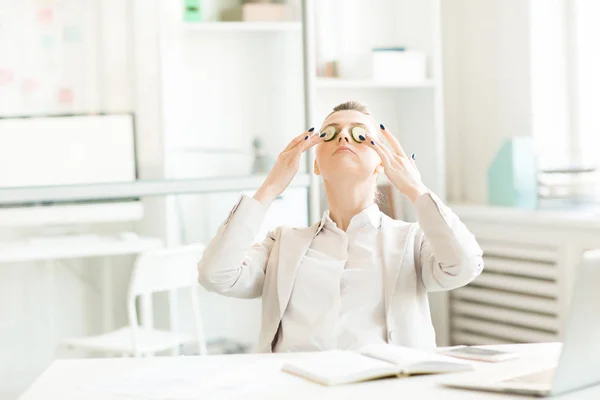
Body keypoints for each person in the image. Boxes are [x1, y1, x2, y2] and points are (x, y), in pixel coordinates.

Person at [198, 101, 483, 353]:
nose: (344, 136)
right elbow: (215, 274)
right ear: (317, 164)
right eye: (329, 133)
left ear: (381, 164)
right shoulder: (283, 243)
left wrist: (415, 188)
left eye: (360, 134)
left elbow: (464, 265)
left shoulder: (411, 240)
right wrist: (271, 186)